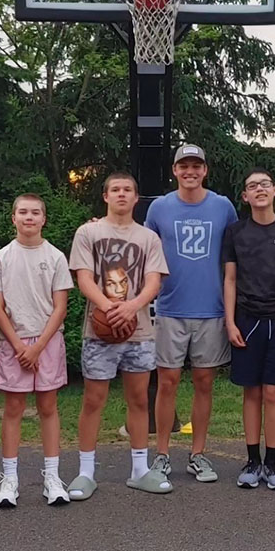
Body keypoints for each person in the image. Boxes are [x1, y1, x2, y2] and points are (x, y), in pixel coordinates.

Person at [68, 172, 169, 499]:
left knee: (139, 400)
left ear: (136, 198)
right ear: (105, 196)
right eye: (116, 189)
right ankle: (85, 472)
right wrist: (109, 307)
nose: (122, 194)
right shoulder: (88, 232)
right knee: (93, 400)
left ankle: (139, 470)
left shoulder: (149, 238)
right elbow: (83, 278)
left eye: (128, 190)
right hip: (99, 330)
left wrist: (133, 307)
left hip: (138, 331)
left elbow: (154, 280)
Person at [145, 144, 238, 483]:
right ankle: (162, 455)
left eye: (196, 165)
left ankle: (198, 454)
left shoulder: (223, 206)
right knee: (167, 382)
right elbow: (144, 250)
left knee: (204, 383)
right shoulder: (159, 207)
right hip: (170, 307)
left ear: (205, 170)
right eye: (184, 165)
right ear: (175, 170)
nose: (190, 171)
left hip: (211, 308)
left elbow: (239, 245)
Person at [0, 194, 73, 508]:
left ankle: (52, 477)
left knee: (48, 408)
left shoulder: (56, 256)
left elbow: (60, 307)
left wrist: (38, 348)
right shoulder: (2, 257)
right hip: (14, 343)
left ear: (44, 219)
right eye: (23, 212)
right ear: (13, 218)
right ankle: (10, 479)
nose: (29, 217)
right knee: (14, 410)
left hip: (48, 342)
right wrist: (21, 345)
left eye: (35, 212)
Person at [223, 169, 275, 490]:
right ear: (244, 196)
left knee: (273, 392)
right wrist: (230, 322)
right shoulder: (234, 233)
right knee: (252, 392)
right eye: (252, 186)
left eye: (264, 185)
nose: (259, 189)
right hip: (245, 319)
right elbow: (229, 279)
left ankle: (272, 462)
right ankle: (252, 460)